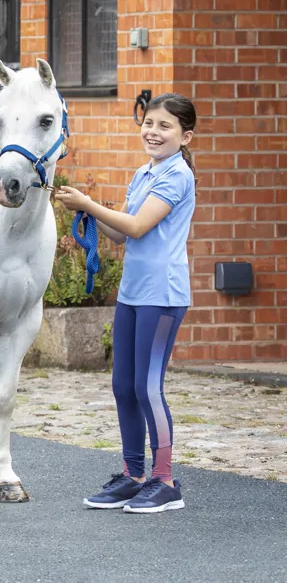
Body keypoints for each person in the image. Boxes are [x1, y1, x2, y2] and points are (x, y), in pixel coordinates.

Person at [55, 93, 197, 513]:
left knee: (147, 387)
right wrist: (88, 211)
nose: (153, 131)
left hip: (163, 295)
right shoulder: (143, 173)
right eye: (149, 123)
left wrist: (88, 204)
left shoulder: (177, 175)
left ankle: (164, 481)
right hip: (133, 294)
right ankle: (134, 475)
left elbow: (136, 226)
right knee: (123, 386)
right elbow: (119, 234)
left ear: (185, 136)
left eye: (165, 126)